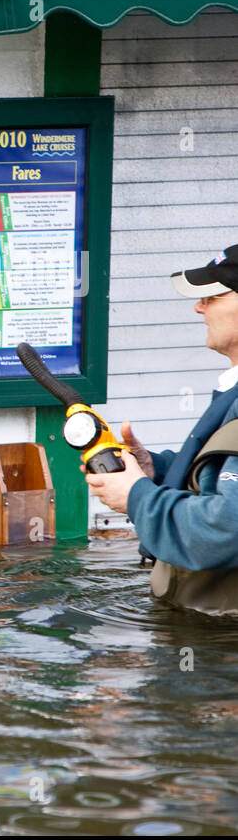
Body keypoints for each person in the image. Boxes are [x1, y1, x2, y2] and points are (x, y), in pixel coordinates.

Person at [86, 244, 238, 612]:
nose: (198, 307)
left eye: (213, 296)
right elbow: (219, 481)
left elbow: (226, 530)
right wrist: (156, 470)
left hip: (220, 648)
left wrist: (135, 496)